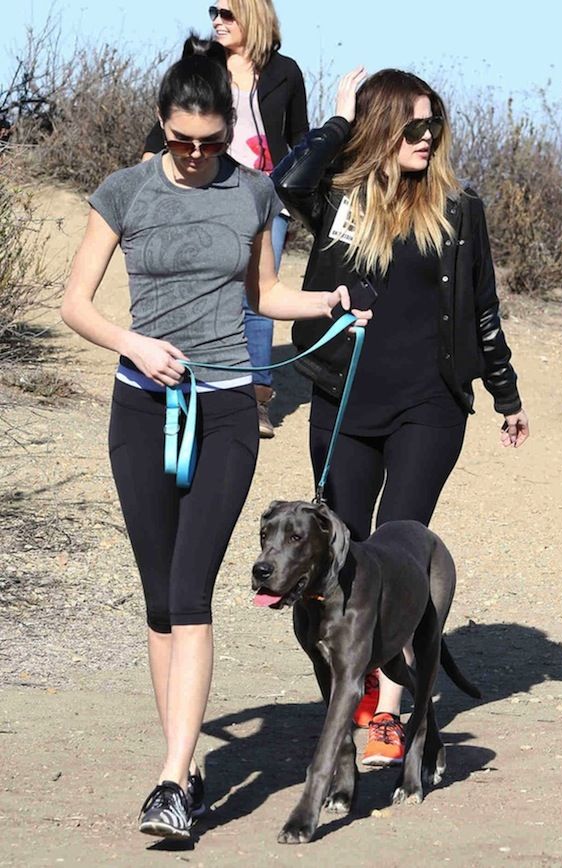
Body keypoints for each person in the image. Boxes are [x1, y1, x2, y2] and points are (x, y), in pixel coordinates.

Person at [60, 40, 370, 840]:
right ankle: (187, 763)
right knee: (161, 599)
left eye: (210, 142)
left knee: (194, 590)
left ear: (230, 131)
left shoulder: (254, 193)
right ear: (161, 126)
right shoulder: (122, 192)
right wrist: (134, 345)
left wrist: (330, 300)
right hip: (141, 409)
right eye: (180, 141)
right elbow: (76, 306)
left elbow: (264, 294)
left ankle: (168, 783)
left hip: (228, 410)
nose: (195, 156)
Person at [272, 67, 530, 766]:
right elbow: (285, 184)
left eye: (434, 125)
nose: (426, 137)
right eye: (412, 126)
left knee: (397, 545)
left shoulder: (460, 208)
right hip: (344, 402)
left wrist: (505, 394)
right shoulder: (340, 200)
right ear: (382, 128)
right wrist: (335, 120)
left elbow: (482, 309)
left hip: (431, 406)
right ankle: (351, 689)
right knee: (344, 546)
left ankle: (387, 710)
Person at [143, 0, 309, 439]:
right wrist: (147, 170)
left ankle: (254, 400)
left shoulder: (286, 72)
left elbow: (299, 139)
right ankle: (184, 384)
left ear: (254, 15)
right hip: (203, 189)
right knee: (200, 287)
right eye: (213, 10)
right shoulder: (201, 62)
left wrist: (298, 194)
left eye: (227, 13)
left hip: (263, 195)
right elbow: (168, 117)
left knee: (258, 297)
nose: (217, 20)